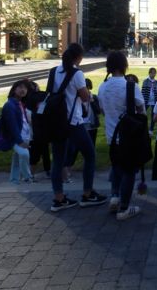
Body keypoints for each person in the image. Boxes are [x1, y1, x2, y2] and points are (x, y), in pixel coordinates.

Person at [50, 43, 106, 212]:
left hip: (56, 122)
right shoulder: (77, 73)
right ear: (79, 57)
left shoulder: (53, 71)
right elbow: (85, 97)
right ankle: (88, 194)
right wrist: (88, 94)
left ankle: (59, 198)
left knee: (58, 161)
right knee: (90, 154)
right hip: (73, 122)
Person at [98, 52, 145, 220]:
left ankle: (114, 196)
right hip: (128, 136)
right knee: (129, 171)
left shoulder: (102, 87)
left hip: (111, 135)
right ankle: (124, 207)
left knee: (117, 167)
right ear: (125, 65)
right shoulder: (130, 86)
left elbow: (102, 110)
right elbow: (141, 110)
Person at [3, 80, 33, 184]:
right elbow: (12, 126)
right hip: (16, 138)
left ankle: (14, 180)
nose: (23, 90)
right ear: (14, 89)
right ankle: (28, 177)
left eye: (25, 88)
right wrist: (19, 141)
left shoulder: (21, 103)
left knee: (17, 158)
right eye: (20, 87)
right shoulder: (10, 105)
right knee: (24, 154)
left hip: (25, 136)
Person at [24, 80, 50, 178]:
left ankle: (46, 170)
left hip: (40, 133)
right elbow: (31, 120)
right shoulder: (28, 107)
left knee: (44, 153)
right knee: (35, 155)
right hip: (33, 135)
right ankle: (30, 175)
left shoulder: (31, 104)